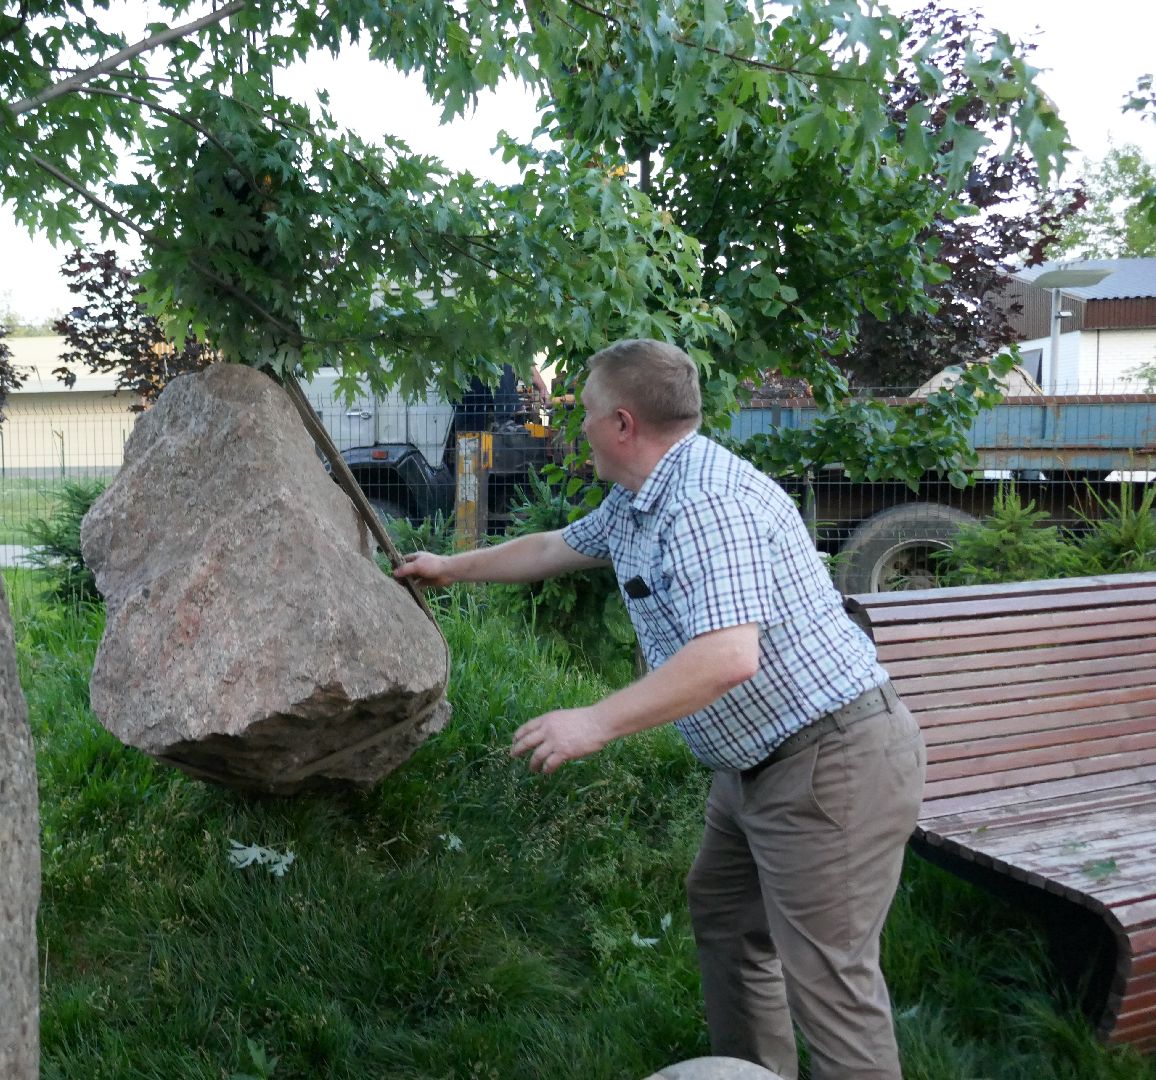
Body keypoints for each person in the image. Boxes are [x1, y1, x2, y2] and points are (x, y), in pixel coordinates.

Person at [395, 339, 925, 1080]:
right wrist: (450, 567)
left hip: (826, 763)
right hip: (757, 764)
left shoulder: (705, 505)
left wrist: (593, 721)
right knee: (730, 924)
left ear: (621, 423)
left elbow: (727, 657)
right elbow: (555, 546)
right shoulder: (641, 498)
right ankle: (748, 1074)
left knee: (831, 985)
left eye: (581, 413)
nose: (574, 426)